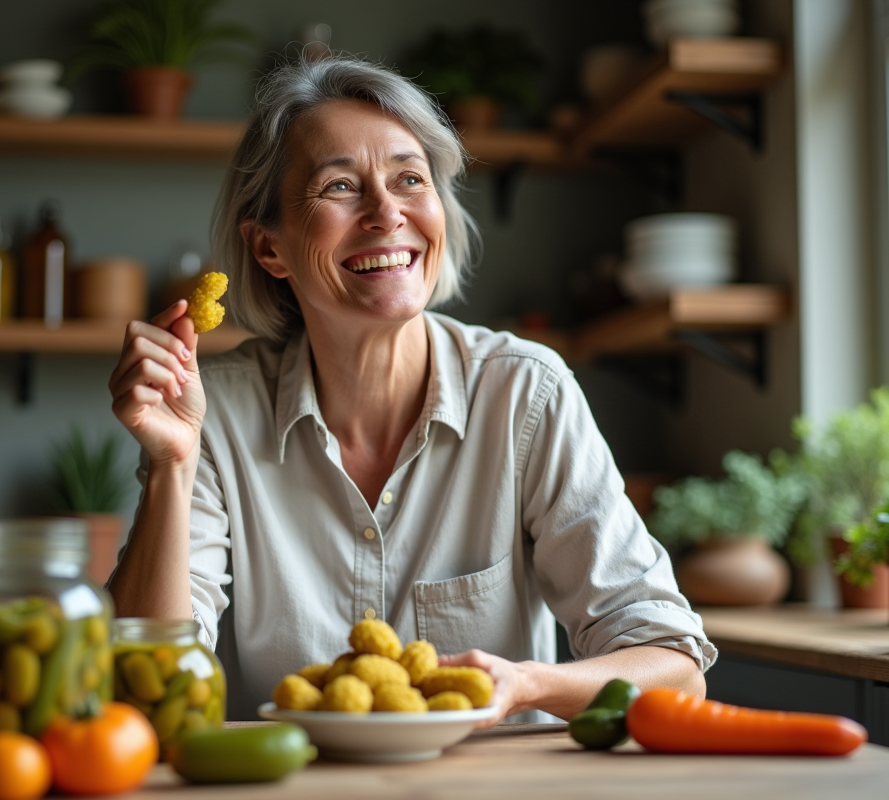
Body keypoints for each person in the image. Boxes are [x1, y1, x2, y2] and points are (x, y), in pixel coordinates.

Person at [107, 55, 715, 724]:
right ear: (269, 248)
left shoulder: (524, 392)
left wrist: (527, 685)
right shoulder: (213, 412)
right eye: (339, 186)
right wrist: (171, 463)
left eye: (409, 179)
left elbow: (671, 667)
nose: (387, 213)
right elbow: (146, 687)